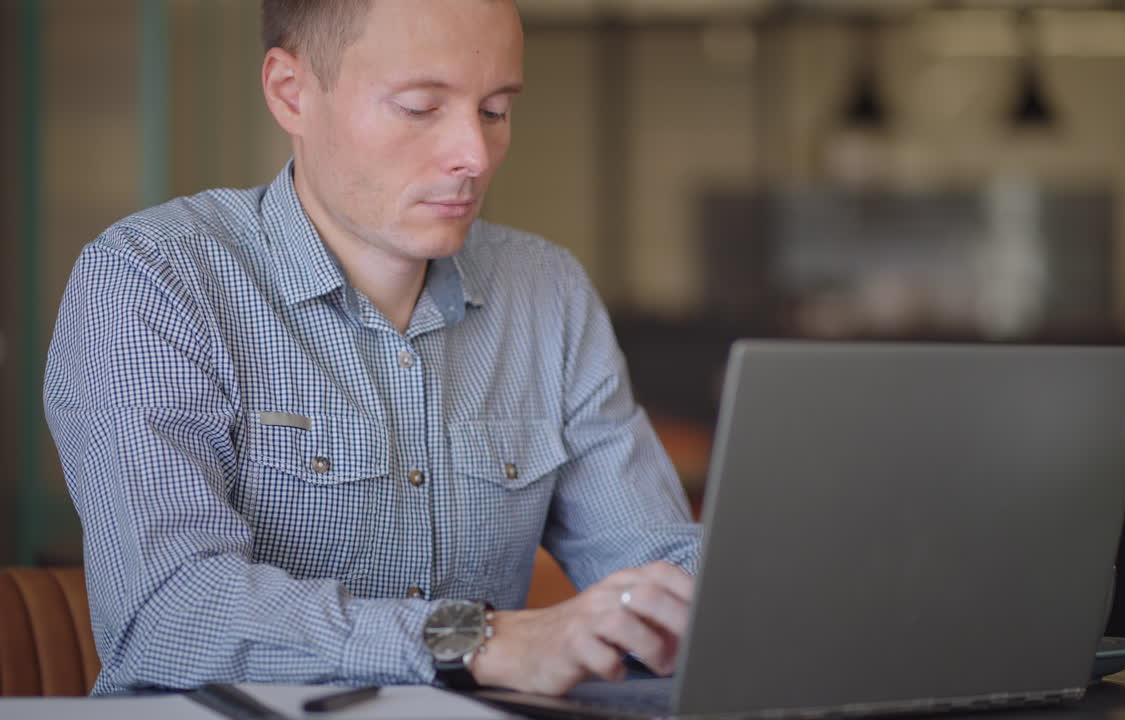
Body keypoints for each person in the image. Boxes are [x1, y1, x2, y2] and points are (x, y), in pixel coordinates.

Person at [43, 0, 700, 697]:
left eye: (497, 110)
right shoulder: (155, 280)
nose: (473, 157)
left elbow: (659, 566)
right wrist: (474, 643)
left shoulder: (549, 292)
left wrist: (717, 607)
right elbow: (167, 611)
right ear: (290, 93)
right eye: (420, 108)